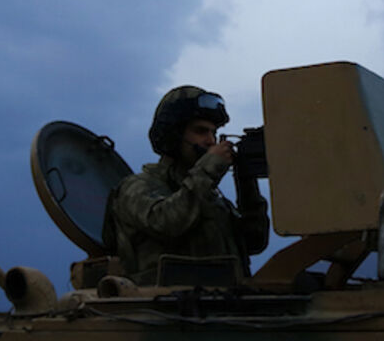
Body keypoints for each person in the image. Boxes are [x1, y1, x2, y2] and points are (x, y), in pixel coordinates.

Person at [104, 85, 269, 285]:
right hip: (163, 309)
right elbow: (167, 222)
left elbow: (254, 241)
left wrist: (246, 182)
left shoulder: (208, 196)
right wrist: (209, 170)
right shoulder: (136, 187)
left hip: (221, 307)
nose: (211, 141)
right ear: (173, 135)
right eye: (200, 131)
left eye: (214, 133)